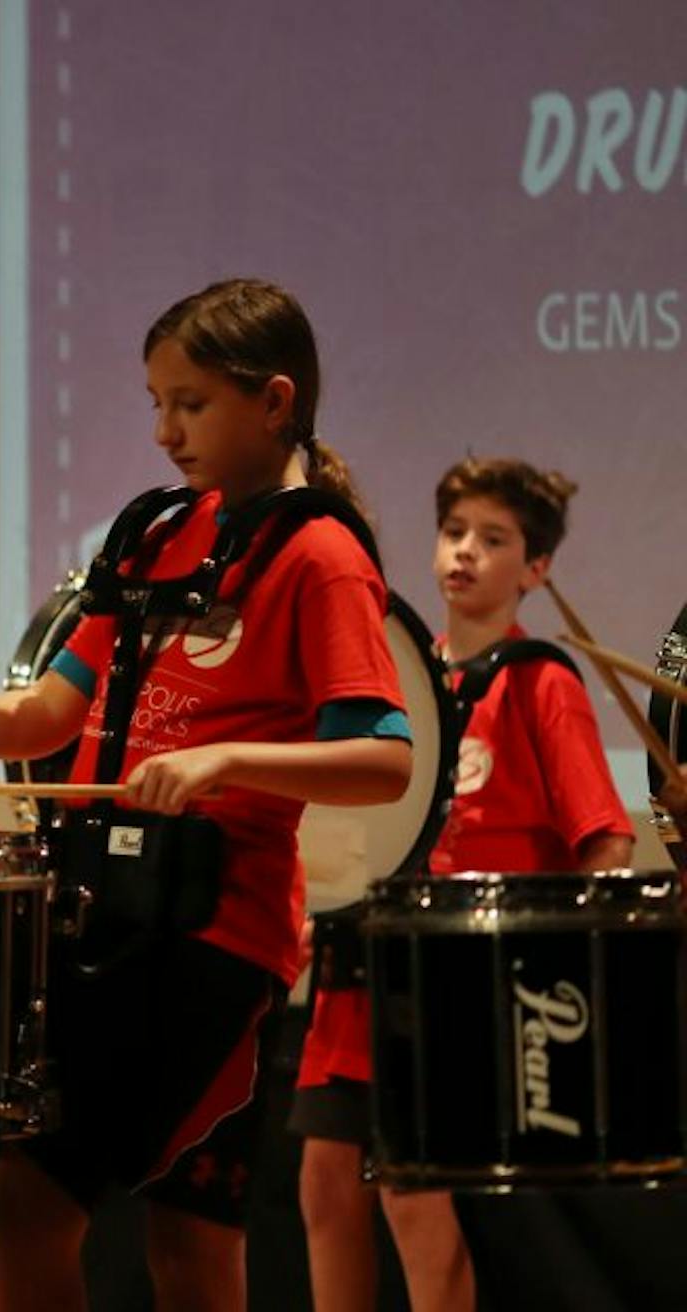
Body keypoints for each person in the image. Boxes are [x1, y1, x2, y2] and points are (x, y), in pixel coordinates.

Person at [0, 279, 413, 1312]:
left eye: (190, 403)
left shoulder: (321, 555)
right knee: (190, 1248)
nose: (164, 430)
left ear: (276, 400)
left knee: (30, 1206)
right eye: (154, 402)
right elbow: (46, 718)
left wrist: (224, 761)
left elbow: (384, 759)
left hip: (212, 937)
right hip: (103, 919)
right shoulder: (155, 534)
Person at [291, 457, 633, 1312]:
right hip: (361, 975)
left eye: (494, 539)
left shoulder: (541, 682)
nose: (465, 553)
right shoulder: (401, 678)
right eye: (453, 534)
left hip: (461, 985)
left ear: (537, 568)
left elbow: (608, 841)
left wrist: (562, 974)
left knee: (414, 1196)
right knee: (326, 1188)